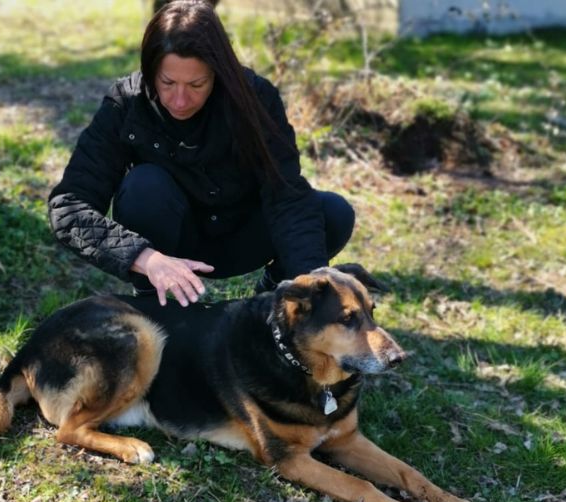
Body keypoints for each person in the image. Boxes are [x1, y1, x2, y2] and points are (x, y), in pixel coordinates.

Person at [48, 0, 355, 307]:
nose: (180, 100)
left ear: (218, 74)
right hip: (168, 246)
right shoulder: (126, 102)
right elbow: (69, 207)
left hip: (241, 236)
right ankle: (152, 303)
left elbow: (286, 194)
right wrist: (146, 258)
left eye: (197, 84)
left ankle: (275, 299)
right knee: (144, 184)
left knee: (333, 213)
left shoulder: (256, 98)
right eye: (167, 82)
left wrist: (311, 290)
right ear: (150, 69)